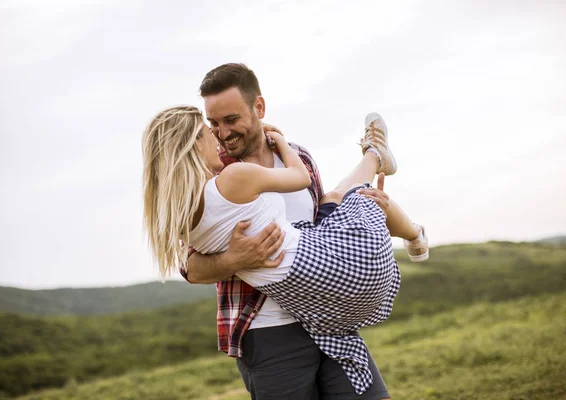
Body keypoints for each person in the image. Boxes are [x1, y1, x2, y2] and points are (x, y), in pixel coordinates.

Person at [142, 64, 427, 399]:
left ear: (258, 108)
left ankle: (376, 159)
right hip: (269, 334)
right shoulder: (211, 176)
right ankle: (377, 159)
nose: (220, 132)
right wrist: (233, 258)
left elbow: (321, 215)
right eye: (213, 124)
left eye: (230, 120)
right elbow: (189, 266)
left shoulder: (297, 156)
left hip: (328, 314)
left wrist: (360, 213)